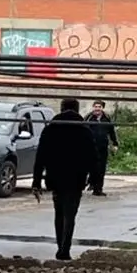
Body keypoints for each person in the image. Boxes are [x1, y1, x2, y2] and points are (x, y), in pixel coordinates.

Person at [31, 98, 98, 261]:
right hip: (76, 178)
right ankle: (64, 249)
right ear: (77, 110)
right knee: (70, 214)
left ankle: (60, 246)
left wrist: (36, 181)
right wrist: (94, 177)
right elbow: (93, 156)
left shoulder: (50, 129)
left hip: (56, 177)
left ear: (61, 109)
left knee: (59, 213)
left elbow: (40, 156)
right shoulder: (84, 130)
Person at [84, 100, 119, 196]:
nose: (97, 109)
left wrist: (115, 144)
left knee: (101, 168)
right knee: (91, 167)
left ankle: (98, 189)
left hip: (103, 147)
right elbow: (82, 130)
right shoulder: (89, 118)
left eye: (99, 107)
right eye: (95, 107)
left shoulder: (106, 118)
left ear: (102, 108)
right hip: (90, 147)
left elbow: (112, 131)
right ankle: (90, 181)